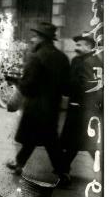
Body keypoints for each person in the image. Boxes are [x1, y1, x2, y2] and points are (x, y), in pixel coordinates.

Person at [5, 22, 71, 185]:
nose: (32, 39)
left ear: (42, 38)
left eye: (35, 36)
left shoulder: (36, 57)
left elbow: (28, 85)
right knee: (40, 138)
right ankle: (20, 163)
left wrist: (16, 82)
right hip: (52, 107)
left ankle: (62, 172)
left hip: (36, 107)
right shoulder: (62, 58)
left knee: (45, 140)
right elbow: (66, 87)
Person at [60, 33, 103, 174]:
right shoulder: (79, 60)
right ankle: (63, 169)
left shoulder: (91, 62)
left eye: (79, 44)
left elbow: (88, 87)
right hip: (78, 107)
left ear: (89, 46)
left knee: (87, 144)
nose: (76, 47)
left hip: (84, 110)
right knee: (75, 142)